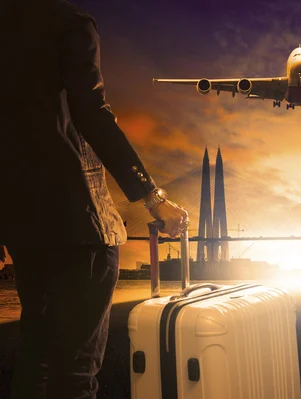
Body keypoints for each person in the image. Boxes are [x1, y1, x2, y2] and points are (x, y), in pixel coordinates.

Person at [0, 0, 189, 398]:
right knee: (76, 373)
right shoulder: (69, 22)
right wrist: (153, 198)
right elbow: (92, 113)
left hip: (22, 225)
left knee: (36, 358)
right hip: (79, 220)